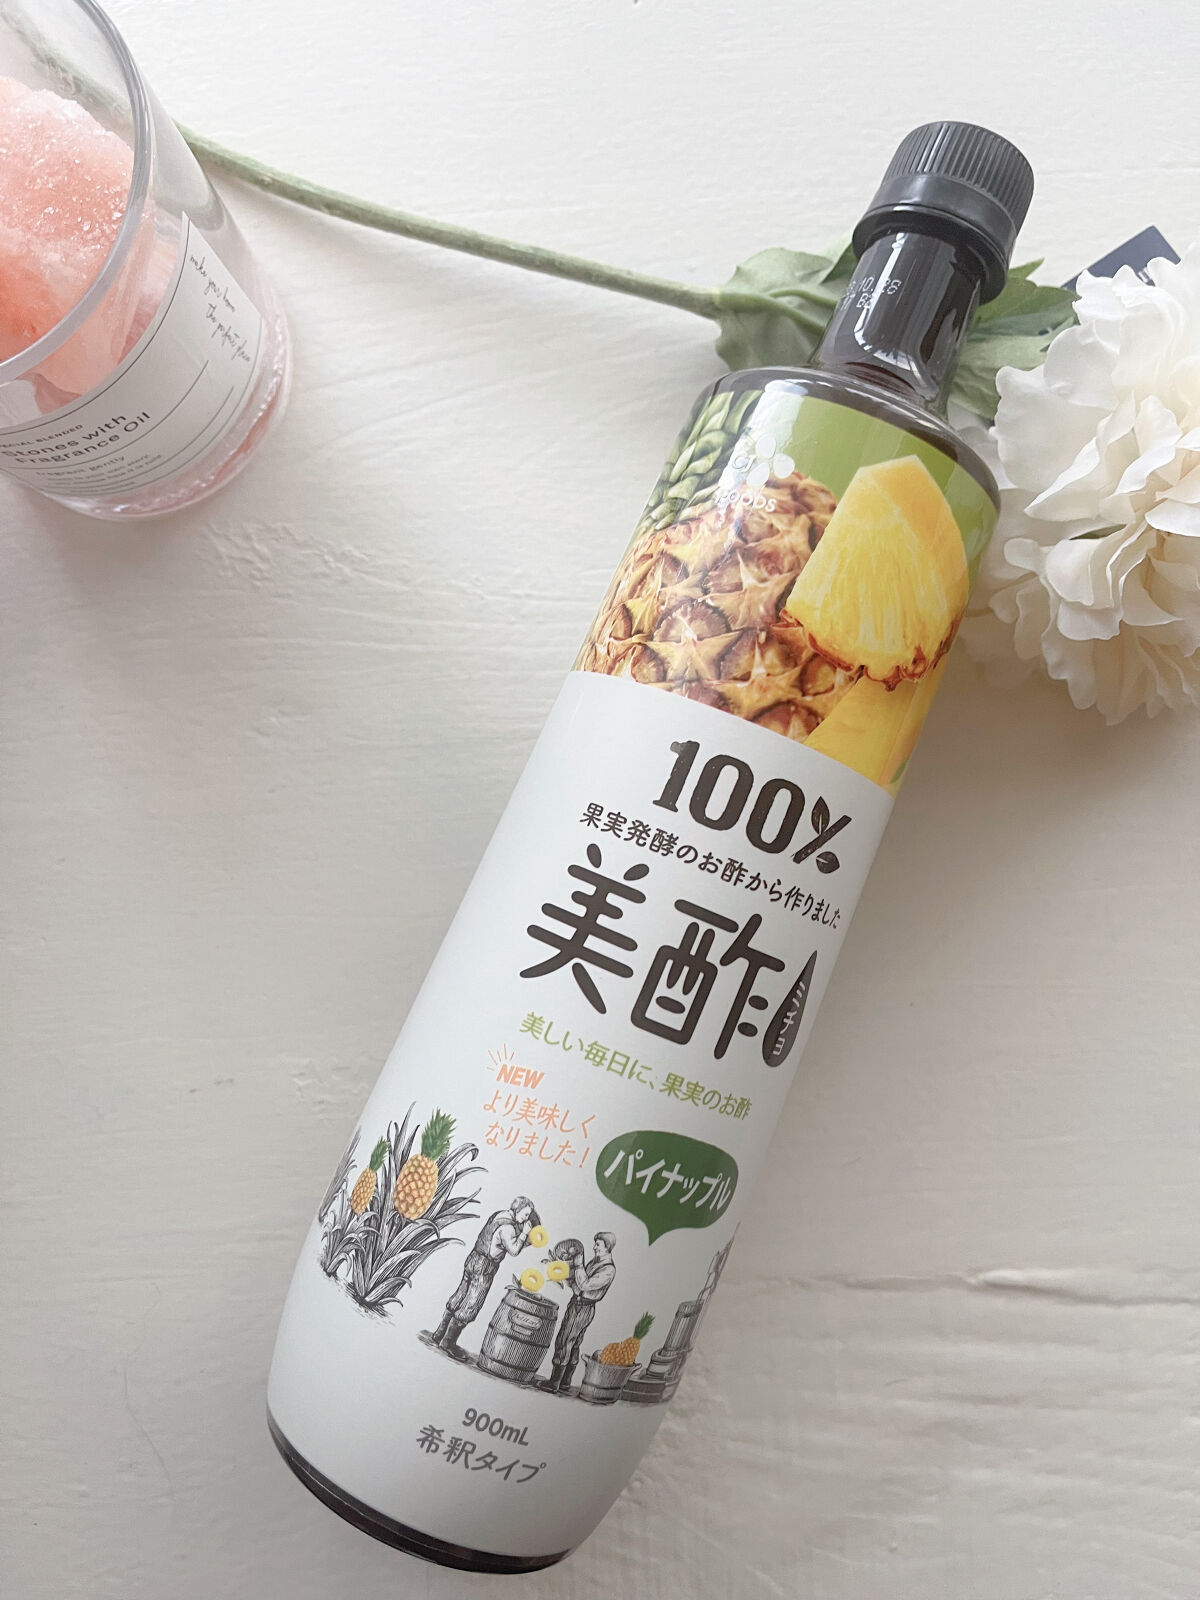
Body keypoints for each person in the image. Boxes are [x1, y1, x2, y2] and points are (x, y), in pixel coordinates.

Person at [428, 1196, 538, 1360]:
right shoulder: (508, 1228)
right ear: (518, 1209)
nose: (526, 1218)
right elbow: (514, 1250)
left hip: (473, 1258)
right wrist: (524, 1233)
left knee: (459, 1296)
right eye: (525, 1214)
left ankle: (439, 1334)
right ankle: (448, 1343)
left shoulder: (499, 1215)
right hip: (485, 1266)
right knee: (471, 1305)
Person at [544, 1231, 616, 1393]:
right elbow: (578, 1285)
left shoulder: (608, 1269)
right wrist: (566, 1272)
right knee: (573, 1343)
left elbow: (585, 1285)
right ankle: (565, 1382)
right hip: (578, 1304)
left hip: (582, 1308)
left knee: (565, 1341)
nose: (594, 1247)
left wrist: (577, 1265)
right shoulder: (595, 1263)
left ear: (607, 1246)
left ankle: (554, 1383)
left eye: (598, 1244)